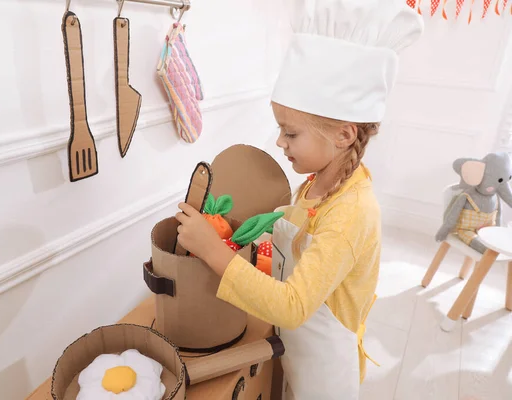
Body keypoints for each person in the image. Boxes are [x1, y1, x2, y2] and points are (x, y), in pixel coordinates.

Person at [175, 0, 424, 398]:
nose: (279, 141)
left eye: (291, 133)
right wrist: (246, 233)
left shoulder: (351, 214)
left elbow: (293, 305)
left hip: (326, 371)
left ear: (343, 136)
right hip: (295, 348)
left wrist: (213, 254)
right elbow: (294, 241)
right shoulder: (317, 183)